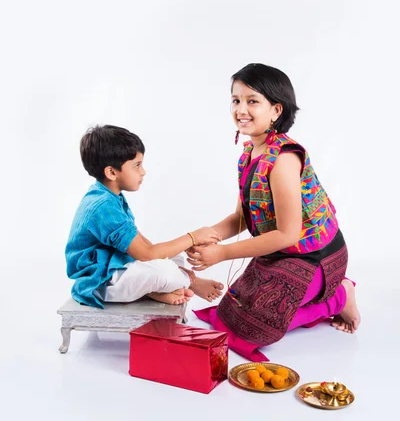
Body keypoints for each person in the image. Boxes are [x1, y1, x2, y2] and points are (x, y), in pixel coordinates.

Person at [188, 63, 361, 362]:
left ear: (276, 111)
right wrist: (207, 237)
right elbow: (241, 217)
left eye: (252, 101)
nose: (241, 108)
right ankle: (324, 295)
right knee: (230, 312)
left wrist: (222, 253)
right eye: (236, 99)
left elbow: (289, 233)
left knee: (253, 330)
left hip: (314, 258)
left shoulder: (283, 158)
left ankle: (339, 295)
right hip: (281, 254)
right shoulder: (249, 154)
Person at [65, 125, 223, 308]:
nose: (143, 171)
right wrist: (193, 237)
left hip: (116, 264)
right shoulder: (103, 207)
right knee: (165, 271)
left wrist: (169, 256)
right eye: (137, 165)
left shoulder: (109, 196)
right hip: (100, 281)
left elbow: (144, 245)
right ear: (111, 172)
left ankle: (159, 289)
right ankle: (186, 283)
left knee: (173, 257)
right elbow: (147, 254)